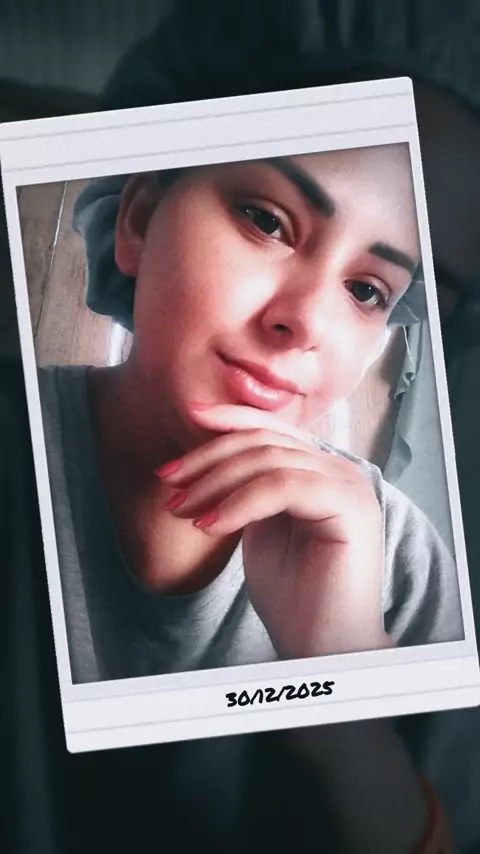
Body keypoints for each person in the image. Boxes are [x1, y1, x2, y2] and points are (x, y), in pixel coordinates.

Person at [4, 2, 479, 853]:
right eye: (266, 219)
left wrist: (346, 711)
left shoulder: (403, 565)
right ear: (139, 220)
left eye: (368, 291)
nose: (305, 322)